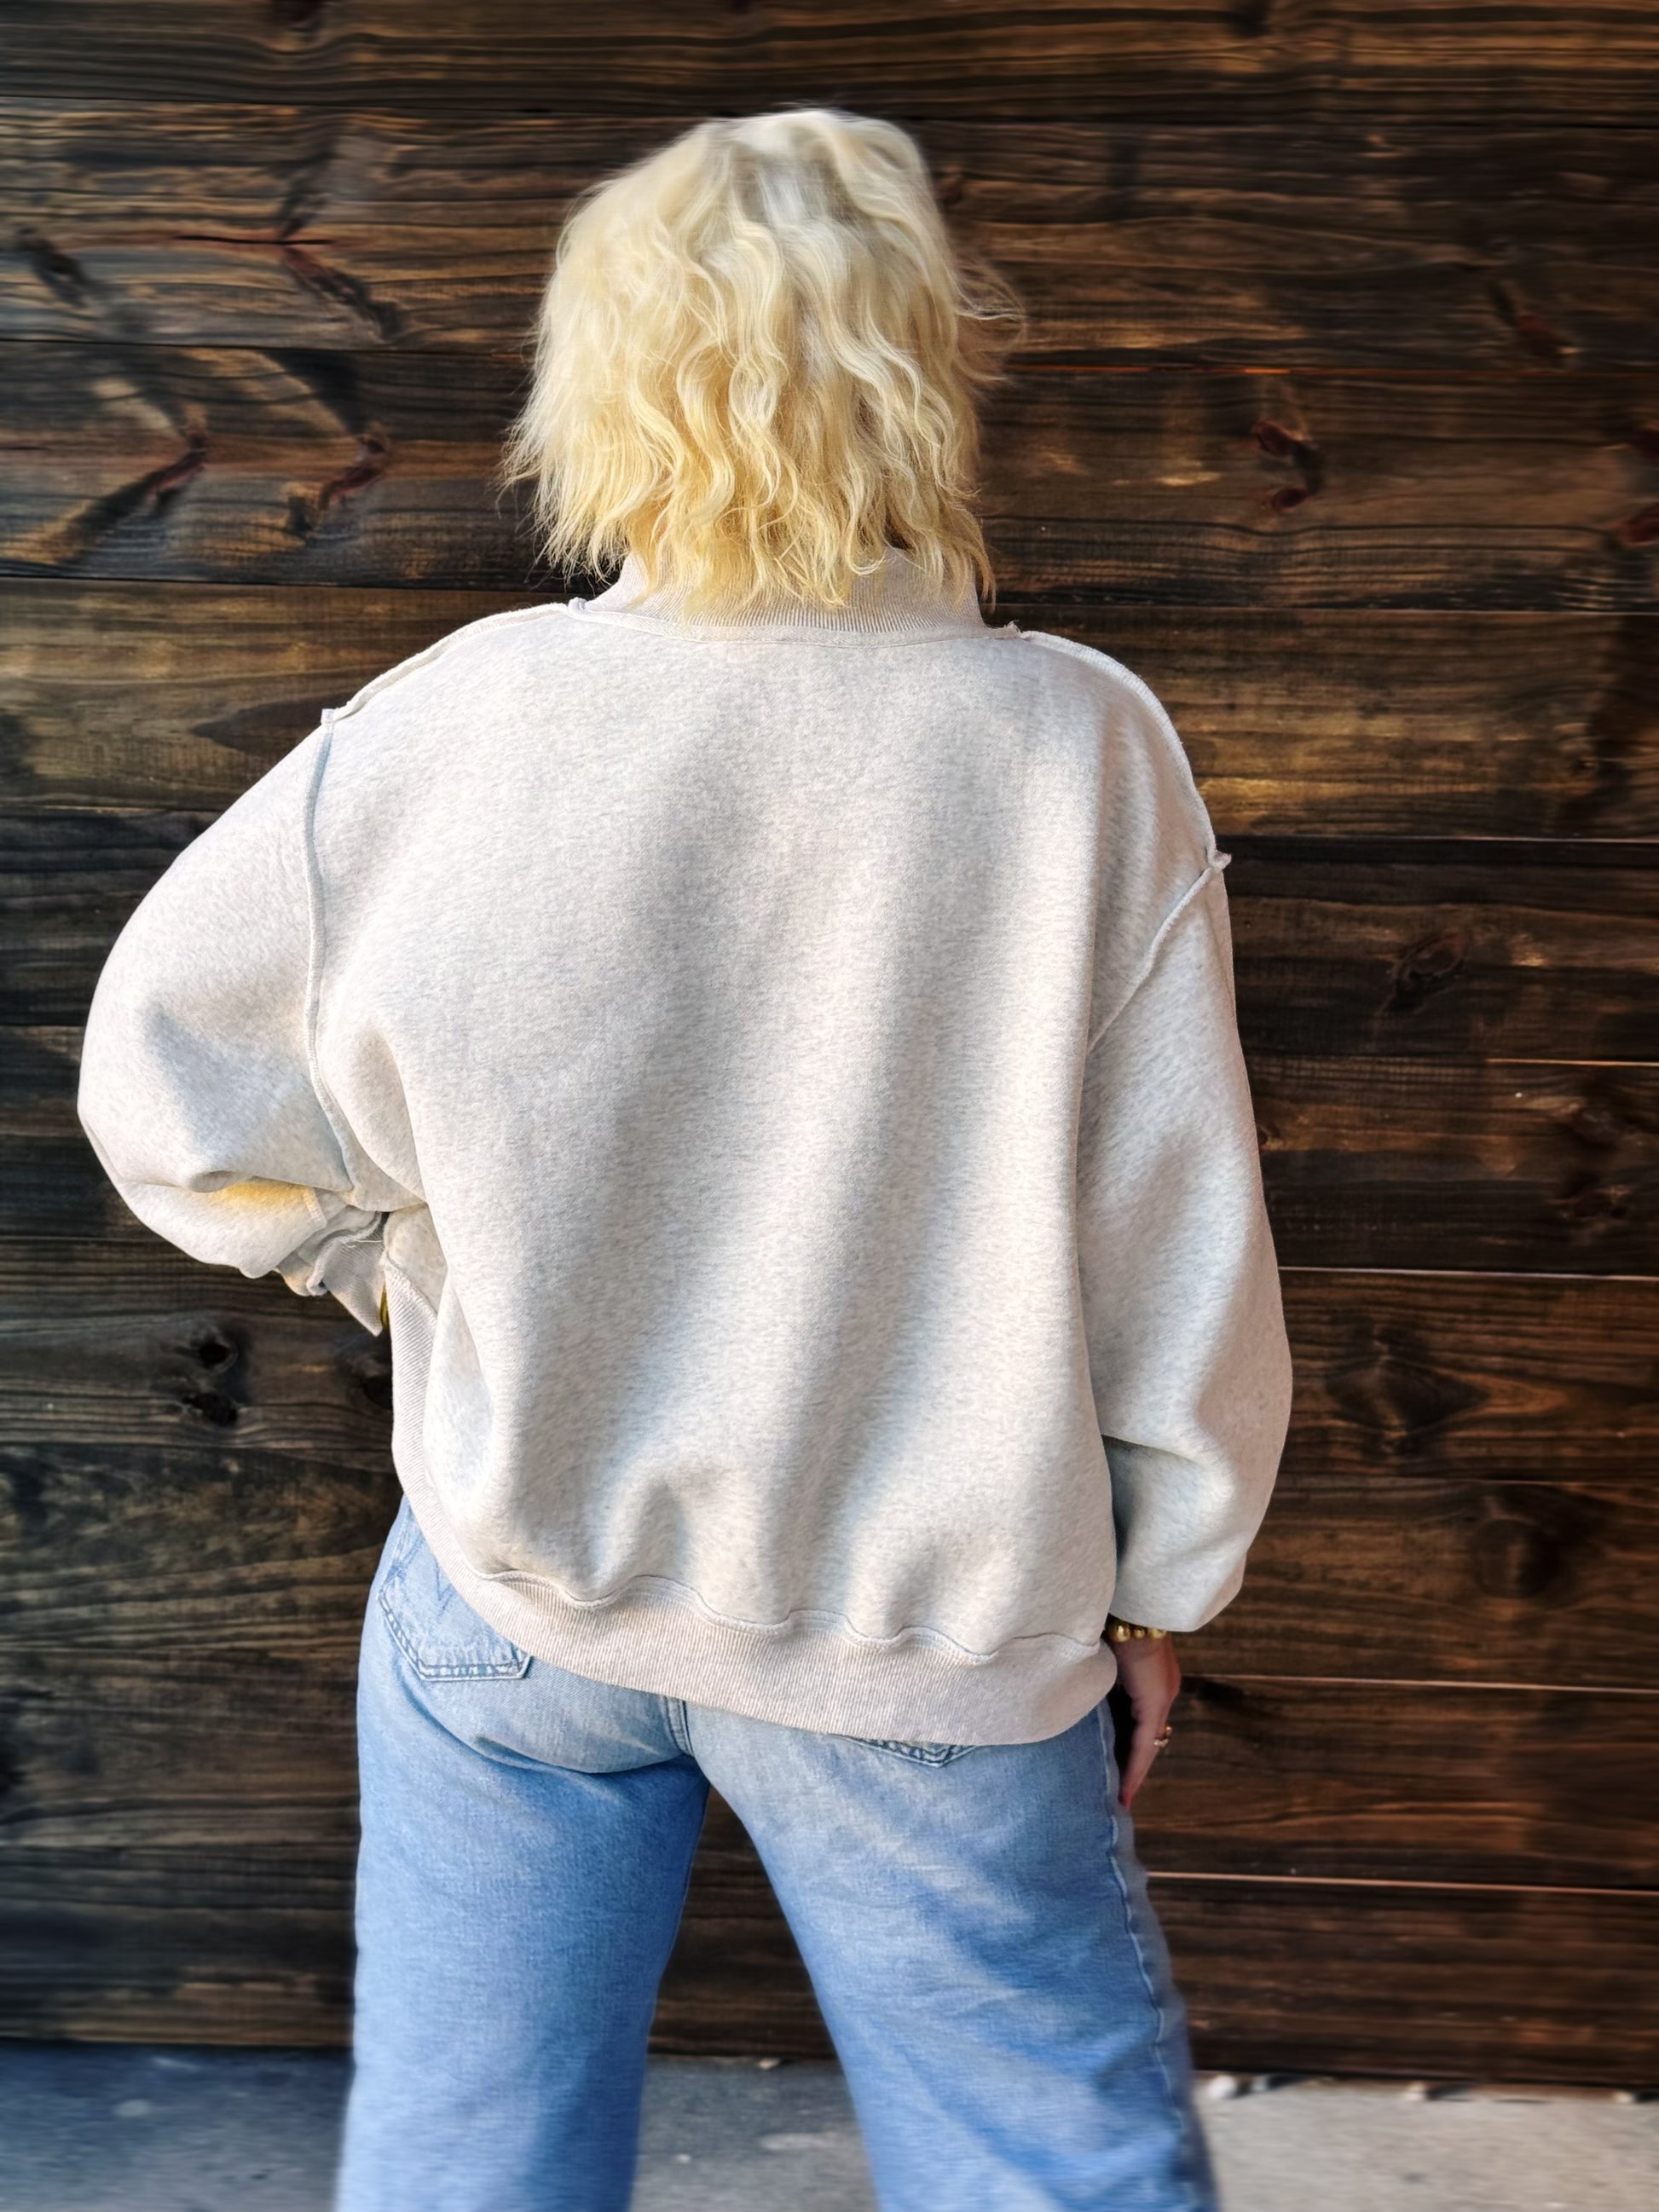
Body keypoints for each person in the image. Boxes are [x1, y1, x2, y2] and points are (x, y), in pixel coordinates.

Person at [77, 106, 1293, 2212]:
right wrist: (1162, 1571)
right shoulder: (1070, 744)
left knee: (467, 2152)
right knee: (1045, 2166)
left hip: (508, 1581)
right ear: (929, 360)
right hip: (926, 1620)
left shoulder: (450, 722)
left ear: (601, 380)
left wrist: (400, 1259)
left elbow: (165, 1083)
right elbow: (1168, 1222)